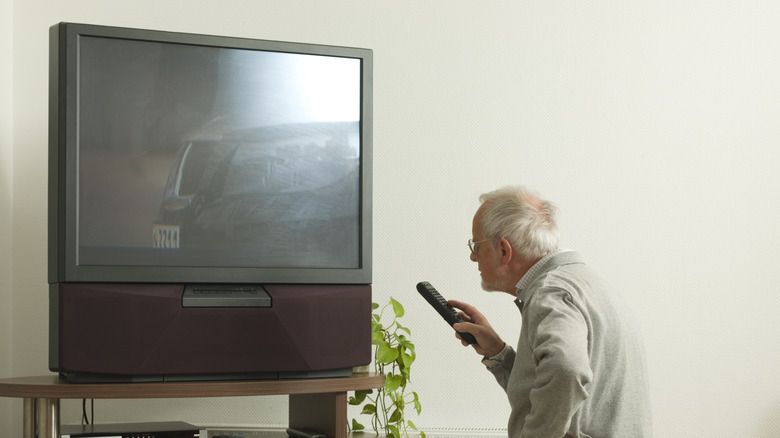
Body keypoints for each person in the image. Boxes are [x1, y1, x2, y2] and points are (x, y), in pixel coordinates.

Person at [449, 185, 652, 438]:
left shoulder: (550, 292)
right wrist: (498, 353)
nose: (472, 256)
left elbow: (566, 369)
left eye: (476, 245)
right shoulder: (583, 282)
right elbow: (552, 385)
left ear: (504, 250)